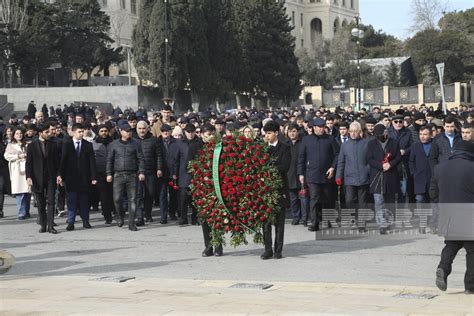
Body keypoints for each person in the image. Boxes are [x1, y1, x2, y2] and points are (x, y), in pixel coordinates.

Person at [430, 141, 474, 294]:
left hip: (447, 214)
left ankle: (443, 267)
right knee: (472, 250)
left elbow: (433, 193)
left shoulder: (440, 168)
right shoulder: (472, 168)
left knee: (451, 244)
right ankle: (470, 286)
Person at [297, 118, 340, 232]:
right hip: (312, 174)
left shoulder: (330, 139)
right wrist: (301, 173)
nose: (321, 129)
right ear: (314, 127)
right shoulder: (306, 140)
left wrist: (333, 167)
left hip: (327, 174)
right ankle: (314, 222)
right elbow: (301, 157)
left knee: (328, 199)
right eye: (319, 127)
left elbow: (337, 154)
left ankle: (329, 220)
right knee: (314, 199)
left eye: (323, 126)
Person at [106, 121, 145, 231]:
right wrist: (108, 174)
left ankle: (131, 223)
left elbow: (141, 159)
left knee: (132, 200)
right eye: (126, 131)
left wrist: (141, 172)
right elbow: (109, 160)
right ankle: (120, 215)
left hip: (132, 175)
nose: (129, 133)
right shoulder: (114, 144)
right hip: (118, 175)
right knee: (117, 199)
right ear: (121, 132)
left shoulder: (136, 143)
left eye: (130, 131)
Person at [58, 123, 97, 231]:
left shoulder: (88, 145)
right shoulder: (67, 144)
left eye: (82, 131)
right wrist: (60, 175)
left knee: (84, 200)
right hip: (71, 178)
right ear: (74, 132)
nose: (81, 134)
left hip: (85, 178)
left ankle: (86, 221)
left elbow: (92, 162)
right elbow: (63, 161)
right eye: (79, 132)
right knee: (71, 201)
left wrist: (94, 177)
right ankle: (71, 222)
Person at [261, 120, 290, 260]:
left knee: (279, 222)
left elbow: (285, 166)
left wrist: (269, 168)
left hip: (279, 188)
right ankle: (268, 249)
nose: (267, 136)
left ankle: (278, 250)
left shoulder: (285, 148)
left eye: (269, 133)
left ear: (276, 133)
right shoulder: (261, 148)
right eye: (265, 133)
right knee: (265, 222)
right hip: (264, 190)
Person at [366, 124, 402, 234]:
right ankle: (382, 224)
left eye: (383, 133)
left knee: (390, 201)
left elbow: (398, 157)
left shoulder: (394, 142)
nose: (381, 136)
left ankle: (389, 221)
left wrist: (390, 164)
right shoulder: (371, 144)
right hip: (377, 176)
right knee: (379, 201)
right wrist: (380, 165)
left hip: (390, 175)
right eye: (378, 135)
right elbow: (369, 159)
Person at [25, 122, 60, 234]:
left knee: (51, 201)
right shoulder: (31, 146)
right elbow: (28, 163)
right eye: (46, 132)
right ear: (40, 133)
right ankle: (43, 225)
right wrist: (28, 177)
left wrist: (59, 175)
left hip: (50, 176)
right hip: (37, 177)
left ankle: (51, 226)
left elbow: (57, 162)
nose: (49, 133)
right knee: (40, 202)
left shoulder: (53, 145)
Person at [336, 121, 369, 231]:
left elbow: (370, 160)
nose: (353, 133)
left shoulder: (366, 143)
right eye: (351, 131)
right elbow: (341, 162)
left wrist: (368, 171)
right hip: (349, 178)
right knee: (349, 200)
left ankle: (362, 224)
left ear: (360, 132)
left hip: (363, 177)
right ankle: (354, 217)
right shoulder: (345, 145)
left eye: (356, 131)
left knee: (362, 202)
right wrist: (338, 176)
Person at [199, 124, 224, 257]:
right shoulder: (197, 147)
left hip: (217, 187)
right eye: (205, 134)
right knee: (204, 219)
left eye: (210, 134)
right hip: (202, 188)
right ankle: (208, 246)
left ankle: (218, 246)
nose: (208, 137)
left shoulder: (220, 148)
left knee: (217, 218)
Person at [134, 121, 162, 225]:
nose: (142, 130)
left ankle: (148, 214)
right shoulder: (132, 140)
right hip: (137, 172)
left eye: (143, 128)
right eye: (140, 128)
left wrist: (159, 168)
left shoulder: (153, 140)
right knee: (138, 194)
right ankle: (139, 216)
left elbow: (159, 155)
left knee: (150, 194)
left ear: (147, 129)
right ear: (137, 129)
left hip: (150, 171)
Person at [175, 123, 202, 226]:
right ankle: (183, 218)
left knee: (195, 198)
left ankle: (195, 217)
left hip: (196, 174)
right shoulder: (180, 143)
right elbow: (176, 160)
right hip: (183, 174)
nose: (190, 134)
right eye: (188, 132)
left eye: (192, 132)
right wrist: (175, 173)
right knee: (183, 198)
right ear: (184, 132)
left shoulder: (199, 142)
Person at [409, 126, 433, 233]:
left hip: (432, 178)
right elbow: (411, 161)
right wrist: (414, 173)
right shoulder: (415, 145)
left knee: (431, 201)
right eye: (421, 134)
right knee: (419, 200)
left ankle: (432, 223)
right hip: (419, 178)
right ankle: (422, 223)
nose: (422, 137)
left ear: (431, 135)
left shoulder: (435, 145)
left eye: (425, 134)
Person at [4, 127, 31, 220]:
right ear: (14, 135)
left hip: (27, 169)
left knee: (27, 192)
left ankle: (27, 211)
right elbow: (6, 156)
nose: (19, 135)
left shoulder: (27, 145)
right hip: (17, 170)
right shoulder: (10, 145)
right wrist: (18, 156)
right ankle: (21, 212)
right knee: (20, 192)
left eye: (20, 133)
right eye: (17, 133)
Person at [92, 124, 115, 224]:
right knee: (104, 196)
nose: (104, 133)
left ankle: (115, 211)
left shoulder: (114, 143)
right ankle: (107, 216)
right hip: (100, 173)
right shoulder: (93, 144)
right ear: (98, 132)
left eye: (105, 131)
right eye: (101, 131)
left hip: (113, 172)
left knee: (114, 195)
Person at [286, 123, 306, 226]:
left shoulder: (303, 143)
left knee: (303, 198)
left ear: (298, 132)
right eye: (290, 131)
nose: (292, 133)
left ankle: (304, 217)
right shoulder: (285, 144)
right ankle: (295, 217)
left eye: (294, 131)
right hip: (290, 175)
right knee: (293, 199)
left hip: (301, 174)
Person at [156, 124, 175, 222]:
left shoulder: (175, 142)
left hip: (173, 172)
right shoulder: (157, 142)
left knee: (173, 195)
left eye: (167, 130)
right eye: (163, 131)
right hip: (162, 172)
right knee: (162, 195)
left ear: (170, 131)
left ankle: (172, 213)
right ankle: (163, 216)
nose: (165, 133)